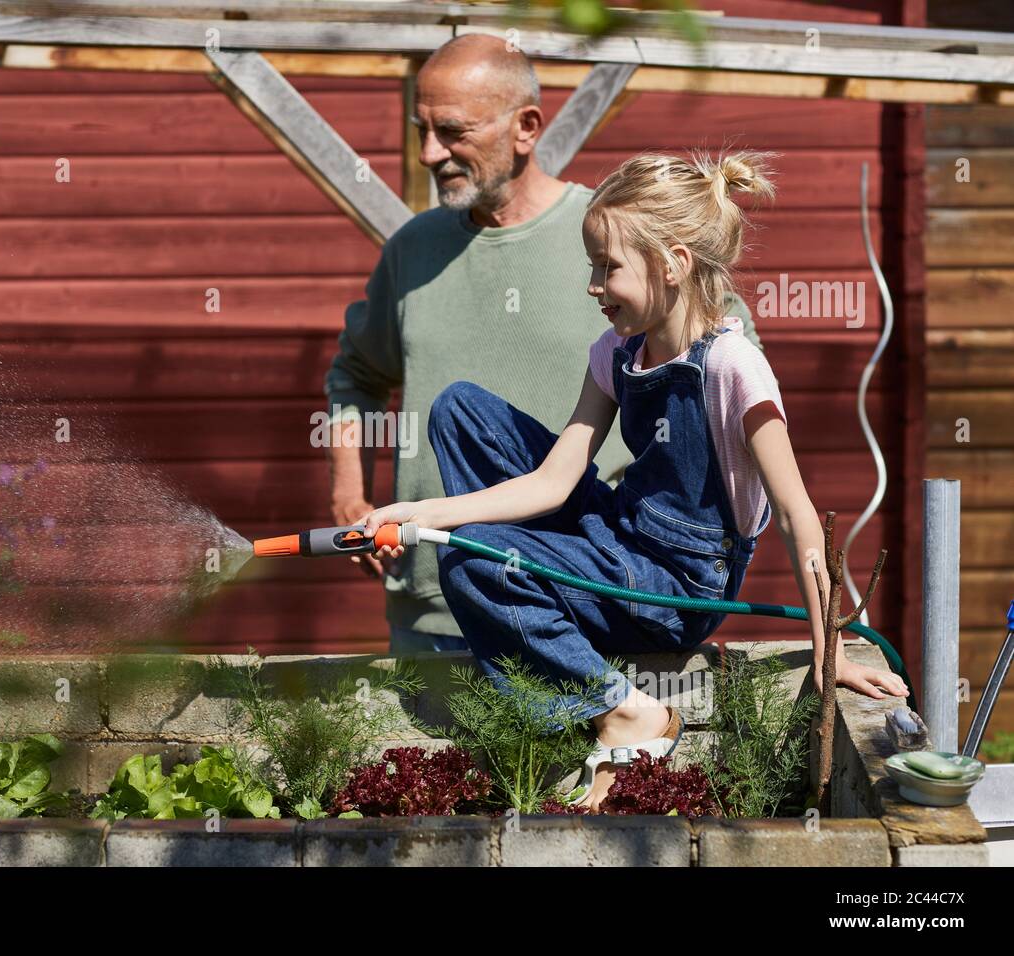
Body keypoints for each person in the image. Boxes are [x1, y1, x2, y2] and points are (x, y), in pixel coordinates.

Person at [360, 150, 909, 810]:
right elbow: (553, 482)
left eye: (608, 266)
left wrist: (831, 652)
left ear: (674, 263)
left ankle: (623, 710)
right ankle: (526, 585)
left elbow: (796, 515)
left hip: (678, 588)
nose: (593, 284)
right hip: (622, 543)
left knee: (475, 564)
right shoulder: (618, 351)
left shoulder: (734, 368)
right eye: (592, 265)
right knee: (460, 410)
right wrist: (422, 512)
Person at [323, 34, 760, 656]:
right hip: (430, 611)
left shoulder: (622, 242)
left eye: (451, 131)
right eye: (420, 129)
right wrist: (348, 489)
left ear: (527, 126)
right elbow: (356, 376)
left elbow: (725, 382)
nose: (428, 153)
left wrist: (677, 572)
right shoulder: (411, 251)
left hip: (580, 606)